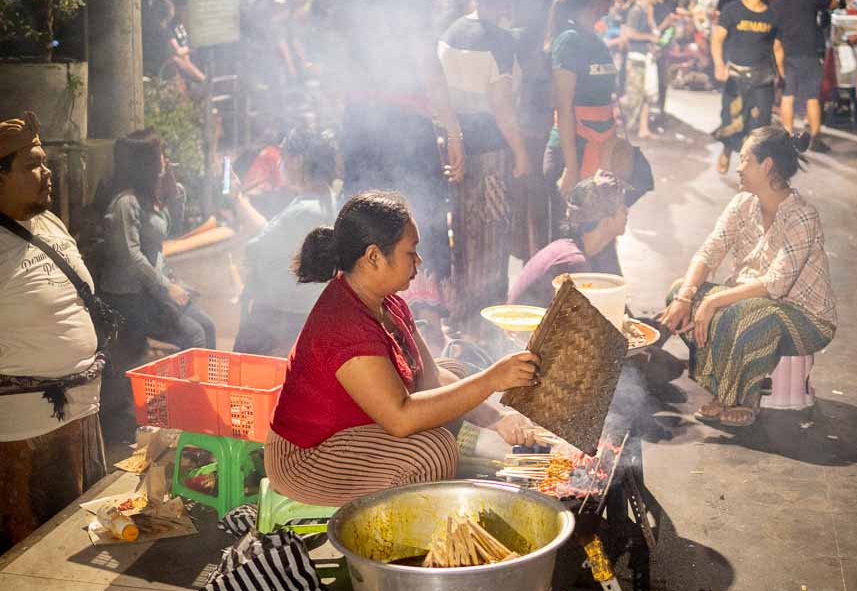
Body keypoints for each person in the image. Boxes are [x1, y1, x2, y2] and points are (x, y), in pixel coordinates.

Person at [264, 191, 542, 506]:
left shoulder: (388, 303)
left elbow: (432, 378)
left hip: (356, 430)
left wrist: (495, 417)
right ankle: (408, 538)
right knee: (431, 452)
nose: (418, 262)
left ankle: (466, 449)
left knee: (455, 372)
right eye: (411, 252)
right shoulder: (343, 324)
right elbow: (400, 418)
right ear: (373, 257)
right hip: (311, 457)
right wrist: (492, 379)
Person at [331, 0, 464, 339]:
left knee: (364, 231)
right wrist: (452, 128)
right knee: (413, 222)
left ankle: (364, 329)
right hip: (403, 128)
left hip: (359, 125)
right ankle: (414, 343)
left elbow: (338, 66)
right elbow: (426, 62)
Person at [659, 127, 837, 428]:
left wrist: (715, 300)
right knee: (679, 291)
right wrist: (686, 296)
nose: (738, 167)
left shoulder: (802, 215)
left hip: (807, 319)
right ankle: (724, 388)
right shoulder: (742, 203)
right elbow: (708, 252)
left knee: (745, 312)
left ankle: (744, 397)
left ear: (766, 165)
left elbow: (775, 284)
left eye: (744, 159)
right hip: (749, 305)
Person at [0, 112, 106, 550]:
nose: (47, 174)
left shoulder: (50, 224)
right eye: (31, 166)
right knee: (27, 553)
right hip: (21, 434)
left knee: (80, 541)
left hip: (81, 414)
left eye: (45, 163)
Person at [438, 0, 530, 336]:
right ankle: (486, 328)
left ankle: (461, 320)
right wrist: (521, 151)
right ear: (508, 1)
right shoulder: (500, 41)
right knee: (491, 239)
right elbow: (503, 107)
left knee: (461, 233)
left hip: (453, 145)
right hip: (491, 152)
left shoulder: (451, 31)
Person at [100, 132, 216, 350]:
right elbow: (130, 257)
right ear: (148, 163)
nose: (165, 159)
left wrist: (174, 193)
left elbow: (173, 232)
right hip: (131, 296)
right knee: (195, 336)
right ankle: (192, 385)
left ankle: (210, 385)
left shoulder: (149, 198)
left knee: (207, 326)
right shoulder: (126, 202)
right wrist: (167, 287)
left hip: (154, 289)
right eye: (160, 154)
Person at [232, 129, 339, 357]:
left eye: (284, 156)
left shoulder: (304, 211)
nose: (281, 163)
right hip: (302, 314)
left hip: (278, 318)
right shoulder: (326, 201)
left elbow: (256, 250)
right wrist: (239, 201)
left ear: (297, 161)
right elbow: (274, 233)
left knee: (244, 377)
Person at [494, 0, 561, 261]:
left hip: (537, 99)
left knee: (536, 185)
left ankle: (537, 266)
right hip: (501, 96)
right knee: (505, 187)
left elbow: (554, 41)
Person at [544, 0, 621, 225]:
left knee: (595, 239)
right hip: (572, 152)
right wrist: (571, 168)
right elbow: (564, 108)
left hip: (597, 153)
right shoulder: (570, 41)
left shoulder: (596, 41)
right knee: (571, 241)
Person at [508, 170, 636, 308]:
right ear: (606, 222)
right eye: (622, 207)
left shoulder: (571, 249)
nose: (627, 211)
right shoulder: (575, 263)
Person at [711, 0, 781, 175]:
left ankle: (752, 165)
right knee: (732, 121)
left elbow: (776, 45)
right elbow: (717, 39)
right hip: (736, 75)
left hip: (763, 76)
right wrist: (719, 65)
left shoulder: (772, 13)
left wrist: (781, 73)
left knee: (761, 124)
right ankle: (726, 150)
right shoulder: (732, 10)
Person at [773, 0, 837, 153]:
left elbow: (775, 37)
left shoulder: (778, 0)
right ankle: (816, 138)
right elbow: (834, 3)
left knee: (788, 95)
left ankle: (787, 136)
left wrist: (779, 64)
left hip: (788, 53)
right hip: (810, 53)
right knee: (812, 97)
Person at [621, 0, 659, 140]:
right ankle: (628, 127)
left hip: (646, 57)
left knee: (646, 94)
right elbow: (629, 34)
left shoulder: (647, 10)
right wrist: (649, 37)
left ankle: (643, 129)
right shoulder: (636, 10)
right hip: (636, 57)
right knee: (634, 95)